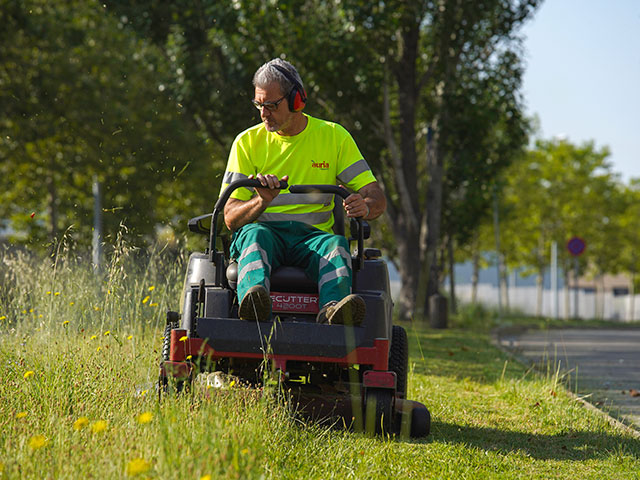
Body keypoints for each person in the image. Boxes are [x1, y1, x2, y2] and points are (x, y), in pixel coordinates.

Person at [220, 58, 386, 325]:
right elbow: (230, 218)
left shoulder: (334, 137)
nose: (264, 114)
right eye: (259, 105)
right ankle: (254, 303)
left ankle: (333, 312)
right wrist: (261, 201)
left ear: (297, 100)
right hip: (265, 234)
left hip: (313, 238)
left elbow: (376, 196)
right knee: (254, 235)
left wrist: (365, 206)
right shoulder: (246, 142)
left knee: (336, 244)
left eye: (271, 106)